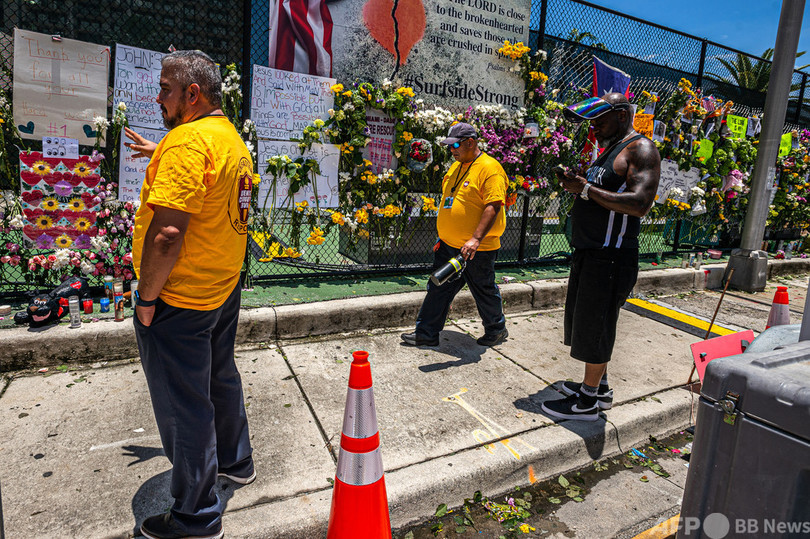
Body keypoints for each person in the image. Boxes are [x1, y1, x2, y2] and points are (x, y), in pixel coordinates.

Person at [125, 50, 256, 539]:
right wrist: (160, 151)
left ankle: (196, 516)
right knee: (221, 378)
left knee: (185, 406)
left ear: (192, 94)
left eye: (164, 88)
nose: (157, 97)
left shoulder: (187, 143)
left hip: (181, 298)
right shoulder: (231, 140)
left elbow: (166, 235)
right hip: (221, 287)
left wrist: (146, 298)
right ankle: (236, 461)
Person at [541, 93, 661, 422]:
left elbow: (640, 203)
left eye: (600, 120)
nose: (593, 127)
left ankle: (586, 402)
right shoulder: (609, 150)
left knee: (597, 326)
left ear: (622, 116)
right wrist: (576, 184)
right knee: (589, 325)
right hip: (591, 252)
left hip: (611, 257)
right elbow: (597, 192)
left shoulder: (642, 149)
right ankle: (601, 386)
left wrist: (585, 190)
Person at [401, 122, 509, 348]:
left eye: (456, 145)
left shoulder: (490, 168)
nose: (452, 150)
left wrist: (475, 239)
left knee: (483, 289)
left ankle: (496, 329)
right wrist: (444, 236)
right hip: (450, 245)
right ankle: (426, 333)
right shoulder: (456, 167)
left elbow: (493, 206)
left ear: (471, 142)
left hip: (477, 249)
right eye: (450, 146)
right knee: (438, 287)